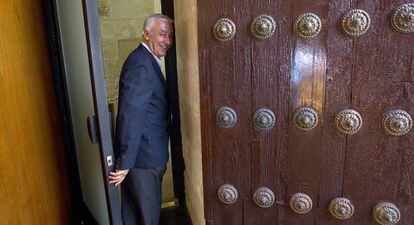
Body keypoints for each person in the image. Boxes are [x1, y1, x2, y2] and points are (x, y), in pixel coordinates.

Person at [108, 13, 174, 225]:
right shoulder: (141, 65)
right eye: (162, 34)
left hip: (142, 157)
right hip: (143, 160)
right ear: (146, 34)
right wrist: (126, 162)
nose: (167, 41)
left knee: (133, 215)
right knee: (148, 216)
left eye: (170, 36)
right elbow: (130, 115)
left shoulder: (146, 60)